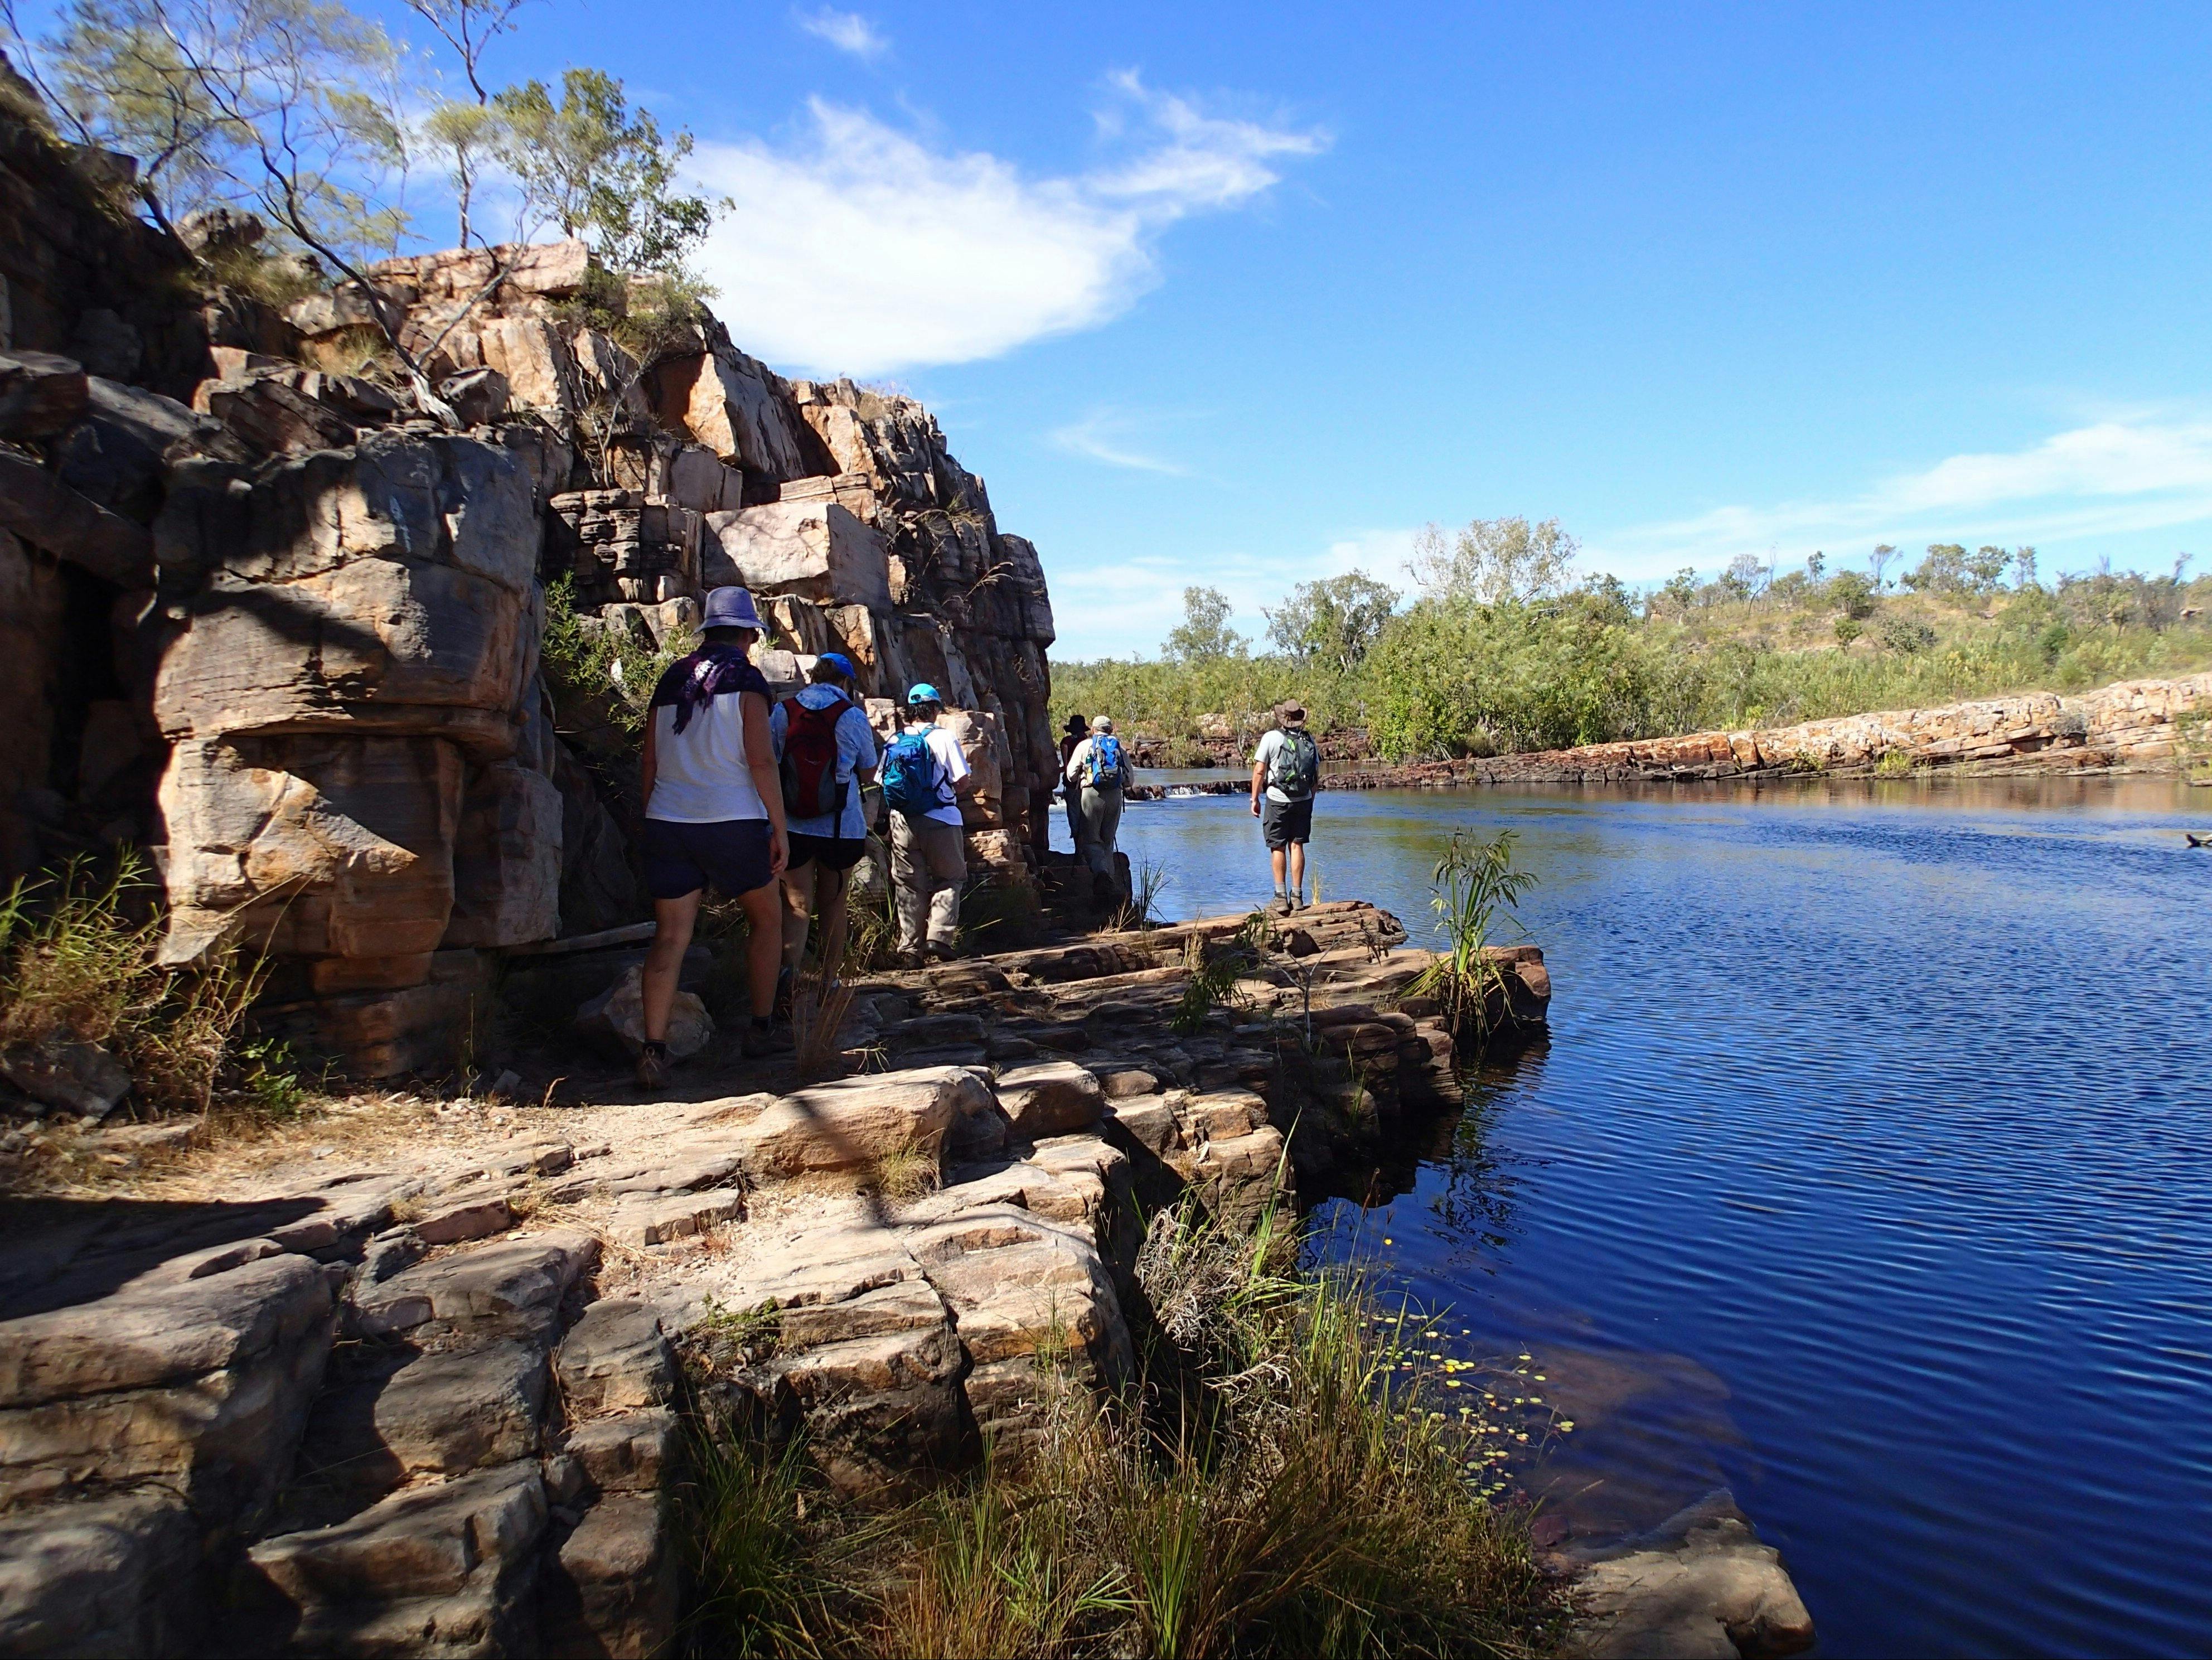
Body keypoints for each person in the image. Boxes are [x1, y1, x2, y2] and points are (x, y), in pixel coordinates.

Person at [636, 585, 791, 1088]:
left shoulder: (671, 679)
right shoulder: (747, 681)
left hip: (669, 820)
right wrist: (779, 828)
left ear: (707, 630)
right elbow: (760, 760)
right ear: (748, 634)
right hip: (733, 820)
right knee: (768, 921)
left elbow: (651, 762)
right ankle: (760, 1028)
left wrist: (652, 817)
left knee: (670, 936)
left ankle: (653, 1051)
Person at [769, 651, 879, 994]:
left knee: (796, 905)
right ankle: (831, 983)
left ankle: (786, 982)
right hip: (840, 828)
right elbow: (869, 770)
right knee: (834, 904)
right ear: (845, 682)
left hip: (792, 826)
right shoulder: (851, 716)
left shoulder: (783, 711)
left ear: (814, 676)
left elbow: (769, 764)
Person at [880, 683, 974, 966]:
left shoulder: (895, 740)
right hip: (941, 819)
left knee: (909, 885)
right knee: (951, 878)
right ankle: (938, 937)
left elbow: (882, 781)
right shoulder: (944, 738)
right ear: (934, 709)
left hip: (902, 822)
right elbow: (962, 780)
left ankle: (909, 950)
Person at [1250, 700, 1320, 914]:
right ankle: (1297, 897)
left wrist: (1255, 799)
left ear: (1282, 718)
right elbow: (1316, 777)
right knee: (1297, 845)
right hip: (1303, 800)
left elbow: (1259, 771)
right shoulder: (1310, 741)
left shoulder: (1271, 738)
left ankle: (1281, 897)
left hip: (1277, 800)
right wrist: (1311, 800)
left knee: (1278, 846)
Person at [1063, 713, 1135, 898]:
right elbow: (1129, 781)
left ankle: (1101, 874)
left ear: (1094, 730)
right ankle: (1110, 883)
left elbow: (1071, 775)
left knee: (1091, 839)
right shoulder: (1119, 747)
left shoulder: (1085, 745)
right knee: (1108, 840)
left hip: (1090, 794)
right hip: (1115, 796)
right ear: (1111, 730)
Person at [1057, 713, 1088, 851]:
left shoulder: (1066, 742)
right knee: (1087, 817)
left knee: (1074, 815)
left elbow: (1067, 767)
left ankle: (1078, 851)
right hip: (1088, 784)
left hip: (1072, 785)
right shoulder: (1087, 740)